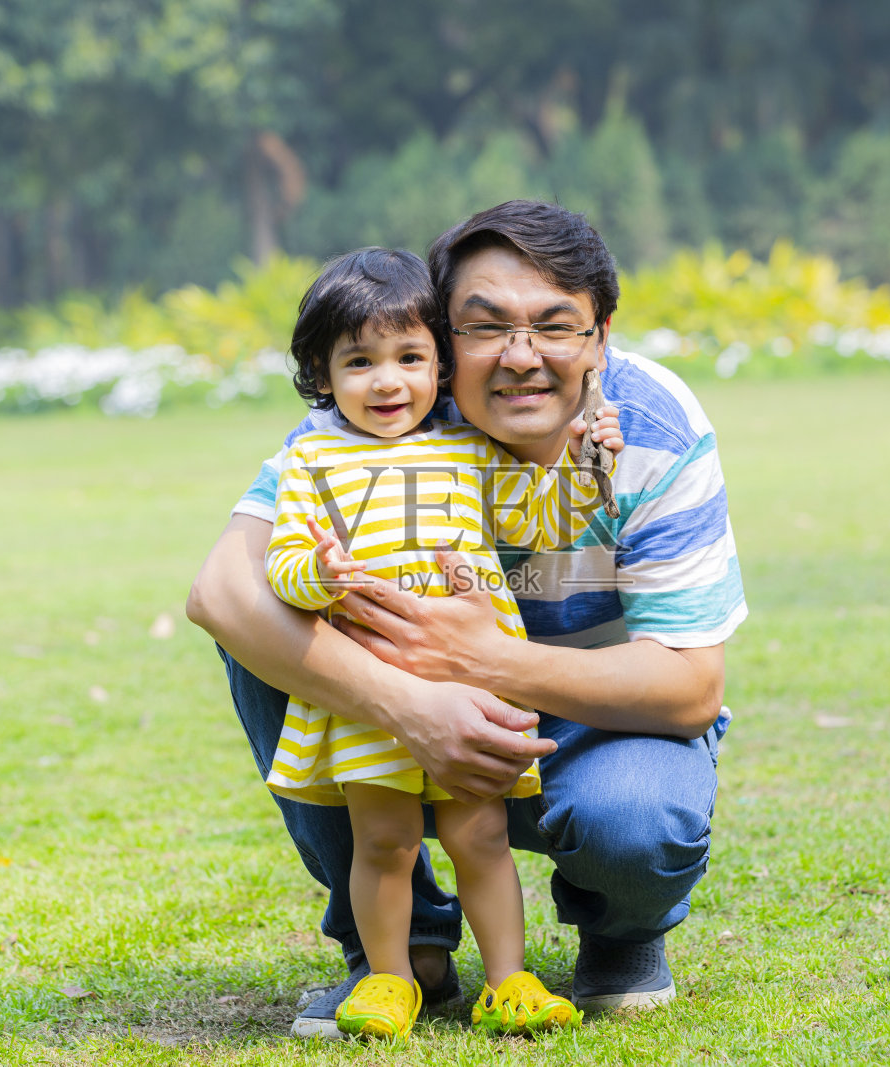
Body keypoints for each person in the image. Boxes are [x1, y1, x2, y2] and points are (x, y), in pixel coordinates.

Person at [188, 200, 746, 1039]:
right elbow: (221, 591)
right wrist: (407, 702)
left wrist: (482, 661)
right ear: (444, 338)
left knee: (636, 818)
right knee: (268, 633)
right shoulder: (387, 408)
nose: (520, 358)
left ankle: (619, 936)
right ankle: (400, 952)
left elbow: (691, 686)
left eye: (555, 326)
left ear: (601, 337)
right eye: (484, 329)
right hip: (400, 722)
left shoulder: (648, 428)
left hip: (597, 720)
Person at [262, 246, 622, 1039]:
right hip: (373, 694)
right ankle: (391, 980)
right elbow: (280, 568)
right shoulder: (311, 459)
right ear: (321, 375)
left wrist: (588, 459)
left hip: (471, 685)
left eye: (410, 357)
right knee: (384, 838)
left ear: (439, 362)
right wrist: (319, 574)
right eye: (360, 361)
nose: (388, 380)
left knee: (480, 833)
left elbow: (544, 523)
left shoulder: (467, 447)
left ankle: (510, 978)